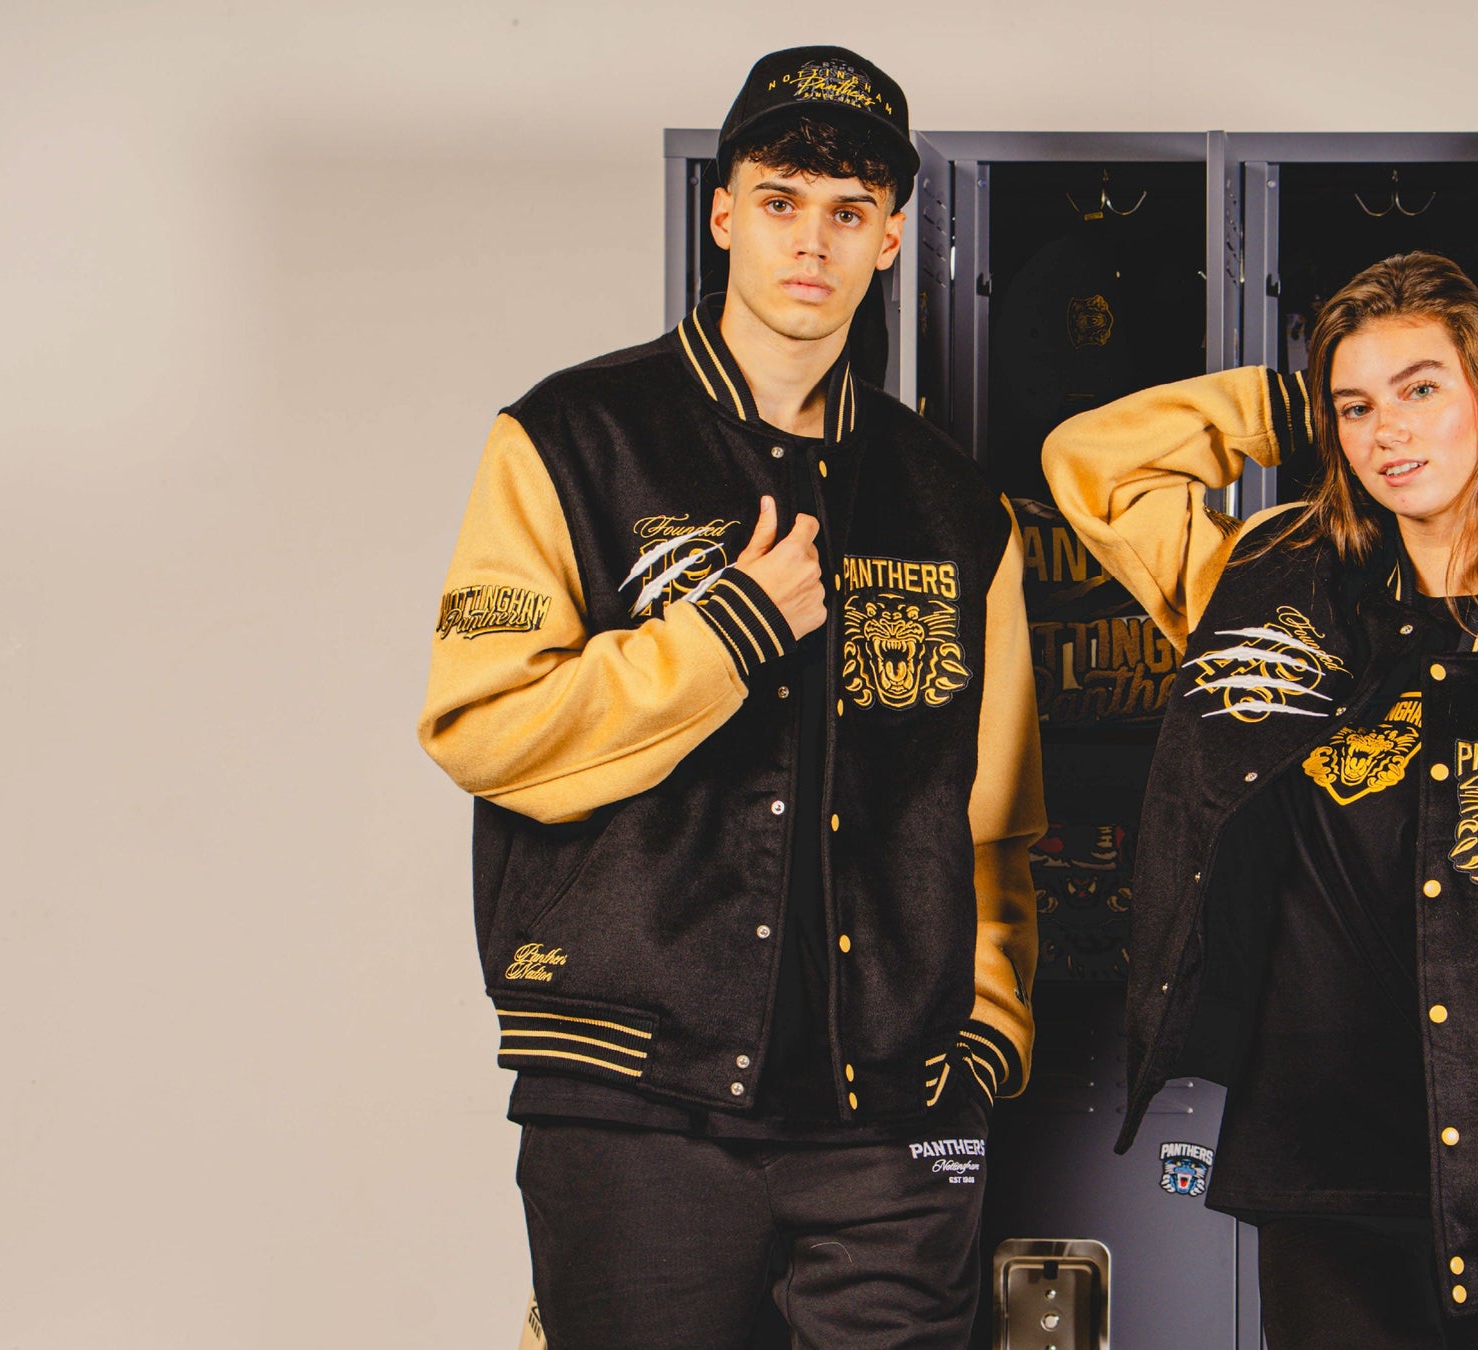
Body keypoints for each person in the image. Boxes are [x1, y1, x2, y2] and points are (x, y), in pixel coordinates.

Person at [417, 46, 1043, 1350]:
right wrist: (726, 635)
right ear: (722, 212)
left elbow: (992, 817)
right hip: (633, 1103)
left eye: (847, 210)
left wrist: (985, 1036)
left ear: (890, 237)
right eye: (780, 199)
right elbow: (483, 725)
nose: (809, 241)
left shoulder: (956, 504)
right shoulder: (573, 439)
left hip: (895, 1121)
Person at [1043, 250, 1478, 1349]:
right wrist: (1293, 405)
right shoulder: (1265, 596)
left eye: (1422, 388)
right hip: (1321, 1172)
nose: (1390, 431)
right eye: (1357, 405)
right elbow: (1091, 465)